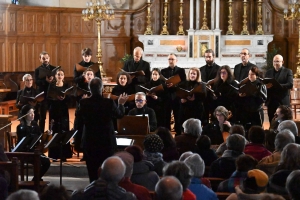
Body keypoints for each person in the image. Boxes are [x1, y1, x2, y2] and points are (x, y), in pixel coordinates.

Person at [76, 77, 127, 183]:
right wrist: (121, 104)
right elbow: (120, 115)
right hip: (106, 142)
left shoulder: (84, 103)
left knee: (92, 171)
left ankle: (93, 191)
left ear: (90, 89)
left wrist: (82, 103)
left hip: (90, 141)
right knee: (107, 170)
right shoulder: (109, 103)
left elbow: (79, 118)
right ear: (102, 88)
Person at [16, 104, 50, 181]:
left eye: (33, 112)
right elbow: (23, 142)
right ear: (25, 114)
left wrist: (47, 134)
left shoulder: (35, 125)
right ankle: (37, 181)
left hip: (35, 150)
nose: (33, 114)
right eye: (30, 113)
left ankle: (36, 179)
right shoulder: (20, 127)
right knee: (38, 162)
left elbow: (40, 136)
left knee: (47, 162)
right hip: (25, 152)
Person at [47, 68, 72, 161]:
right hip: (54, 110)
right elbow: (48, 98)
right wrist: (55, 98)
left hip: (63, 110)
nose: (60, 76)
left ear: (64, 76)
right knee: (54, 131)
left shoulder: (66, 85)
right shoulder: (52, 86)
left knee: (64, 131)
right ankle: (54, 155)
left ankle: (64, 155)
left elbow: (70, 99)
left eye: (61, 74)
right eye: (58, 74)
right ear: (55, 76)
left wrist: (65, 97)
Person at [161, 53, 187, 135]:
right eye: (169, 59)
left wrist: (175, 84)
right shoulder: (163, 71)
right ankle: (167, 134)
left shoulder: (181, 71)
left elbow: (184, 83)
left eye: (172, 59)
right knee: (166, 116)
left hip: (177, 96)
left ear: (176, 60)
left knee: (178, 116)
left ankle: (178, 134)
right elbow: (161, 83)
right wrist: (166, 85)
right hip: (167, 96)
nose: (171, 61)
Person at [265, 54, 293, 124]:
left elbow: (290, 84)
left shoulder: (288, 71)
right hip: (271, 101)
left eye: (277, 61)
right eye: (274, 61)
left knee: (284, 122)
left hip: (282, 101)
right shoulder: (268, 72)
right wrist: (266, 86)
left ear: (282, 62)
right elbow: (265, 83)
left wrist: (278, 85)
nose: (275, 63)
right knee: (272, 121)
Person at [73, 68, 94, 155]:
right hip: (81, 111)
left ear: (94, 76)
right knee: (80, 128)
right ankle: (80, 148)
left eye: (91, 74)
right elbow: (75, 97)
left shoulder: (96, 86)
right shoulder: (80, 85)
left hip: (92, 112)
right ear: (84, 76)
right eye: (87, 74)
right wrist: (83, 99)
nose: (89, 76)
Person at [34, 51, 56, 132]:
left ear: (49, 58)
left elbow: (58, 80)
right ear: (40, 59)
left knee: (52, 115)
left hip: (52, 94)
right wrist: (45, 81)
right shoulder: (37, 70)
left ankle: (51, 133)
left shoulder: (54, 68)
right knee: (42, 116)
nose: (46, 60)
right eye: (43, 58)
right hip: (43, 95)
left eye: (47, 58)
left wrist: (53, 80)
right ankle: (41, 134)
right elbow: (37, 82)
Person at [200, 49, 220, 126]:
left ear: (213, 57)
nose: (207, 59)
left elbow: (220, 82)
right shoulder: (201, 69)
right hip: (204, 96)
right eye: (206, 57)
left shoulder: (219, 68)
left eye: (209, 57)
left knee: (214, 117)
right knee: (204, 117)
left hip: (214, 96)